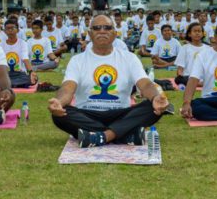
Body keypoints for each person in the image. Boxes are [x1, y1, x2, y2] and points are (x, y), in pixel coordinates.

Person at [48, 14, 169, 147]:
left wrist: (155, 97)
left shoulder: (129, 58)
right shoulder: (77, 60)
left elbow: (145, 84)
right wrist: (59, 102)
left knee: (154, 106)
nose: (102, 31)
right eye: (97, 28)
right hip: (87, 114)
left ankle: (101, 136)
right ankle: (123, 135)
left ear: (114, 33)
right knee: (60, 113)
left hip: (120, 113)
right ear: (89, 33)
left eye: (107, 28)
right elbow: (67, 88)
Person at [1, 19, 36, 88]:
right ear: (4, 31)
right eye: (8, 28)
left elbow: (25, 58)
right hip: (6, 73)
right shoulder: (0, 45)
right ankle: (13, 83)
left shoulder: (23, 43)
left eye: (12, 28)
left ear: (17, 30)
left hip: (19, 73)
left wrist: (31, 72)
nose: (10, 30)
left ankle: (8, 84)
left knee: (34, 79)